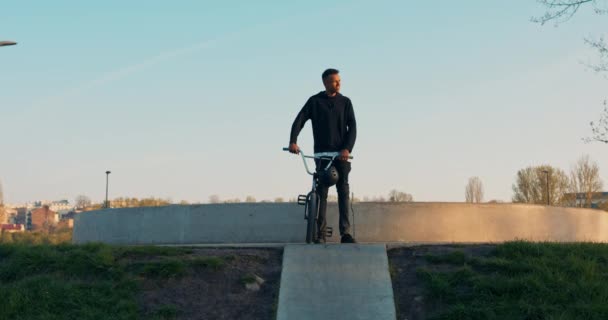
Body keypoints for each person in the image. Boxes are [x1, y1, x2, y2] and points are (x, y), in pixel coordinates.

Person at [288, 68, 357, 244]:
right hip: (322, 155)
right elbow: (300, 120)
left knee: (343, 191)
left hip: (341, 156)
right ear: (326, 83)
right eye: (335, 81)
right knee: (321, 193)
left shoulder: (346, 102)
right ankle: (319, 234)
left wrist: (347, 149)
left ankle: (345, 233)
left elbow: (353, 128)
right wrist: (293, 141)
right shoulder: (315, 101)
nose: (339, 84)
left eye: (340, 80)